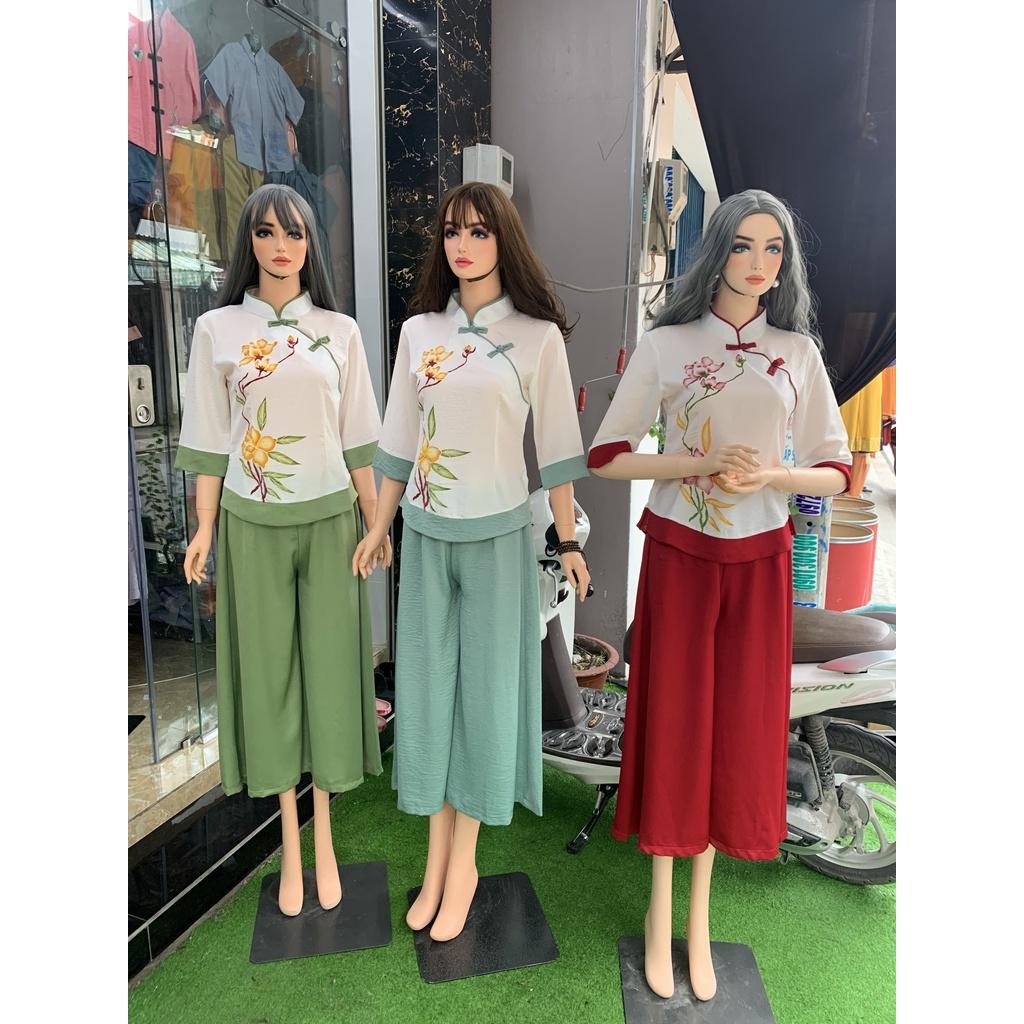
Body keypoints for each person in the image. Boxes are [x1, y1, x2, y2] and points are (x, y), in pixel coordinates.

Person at [588, 189, 851, 1000]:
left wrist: (770, 475)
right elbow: (607, 454)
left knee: (737, 730)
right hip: (680, 554)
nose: (759, 263)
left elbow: (837, 469)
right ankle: (660, 912)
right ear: (717, 251)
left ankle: (699, 920)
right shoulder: (667, 346)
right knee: (674, 724)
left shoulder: (796, 355)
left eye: (774, 249)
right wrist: (696, 465)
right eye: (743, 245)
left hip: (760, 561)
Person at [354, 181, 591, 942]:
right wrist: (379, 526)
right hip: (424, 539)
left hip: (497, 544)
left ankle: (464, 868)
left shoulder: (537, 338)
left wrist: (569, 541)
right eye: (453, 230)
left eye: (480, 231)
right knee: (427, 701)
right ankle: (435, 863)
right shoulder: (418, 332)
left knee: (483, 703)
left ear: (503, 240)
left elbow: (558, 450)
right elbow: (397, 439)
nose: (463, 244)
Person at [176, 183, 388, 916]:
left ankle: (326, 838)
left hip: (332, 522)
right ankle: (291, 849)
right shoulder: (216, 330)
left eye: (293, 232)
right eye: (265, 232)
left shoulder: (340, 331)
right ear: (249, 243)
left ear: (309, 244)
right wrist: (204, 526)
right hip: (250, 522)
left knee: (330, 673)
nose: (280, 246)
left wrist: (375, 520)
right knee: (268, 679)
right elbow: (210, 439)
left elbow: (359, 436)